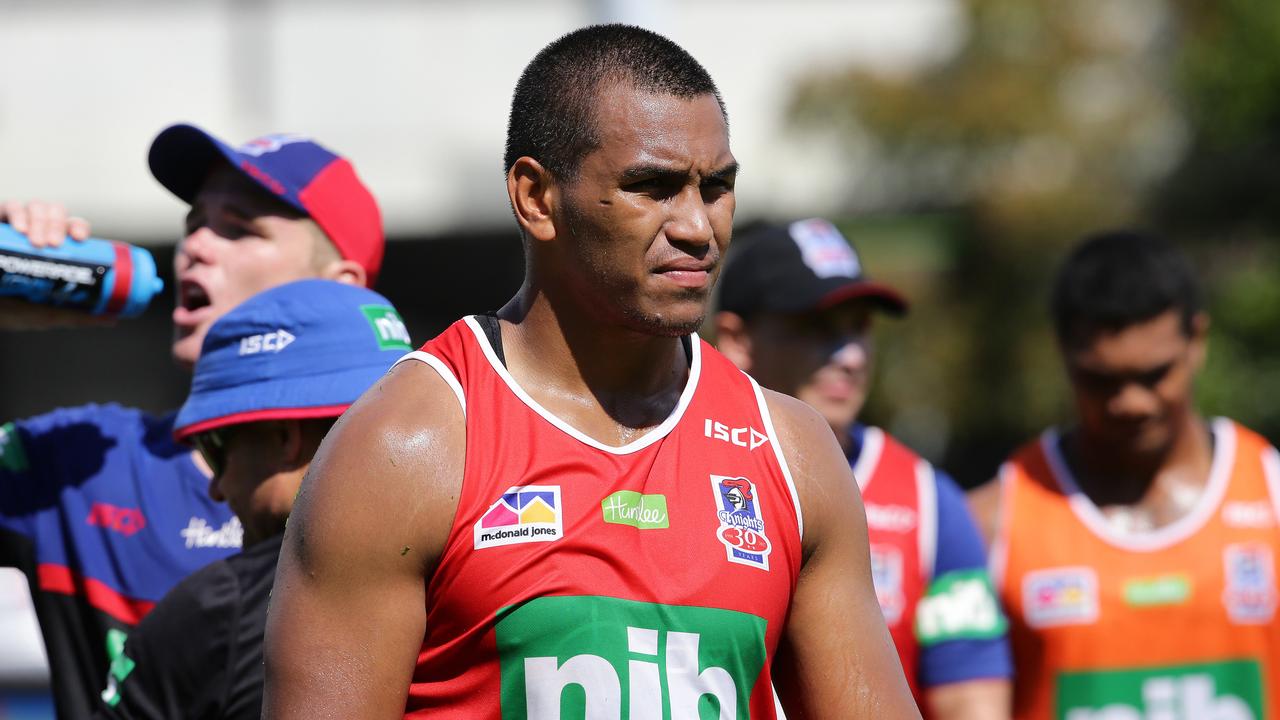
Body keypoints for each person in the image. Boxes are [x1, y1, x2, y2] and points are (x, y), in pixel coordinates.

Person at [262, 24, 919, 719]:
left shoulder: (792, 454)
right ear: (536, 198)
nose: (698, 226)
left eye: (717, 187)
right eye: (652, 187)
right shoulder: (405, 446)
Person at [0, 126, 383, 719]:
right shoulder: (83, 460)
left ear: (337, 290)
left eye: (239, 228)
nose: (197, 245)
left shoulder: (415, 476)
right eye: (194, 223)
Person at [967, 230, 1280, 719]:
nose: (1131, 403)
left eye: (1155, 375)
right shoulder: (992, 522)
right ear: (1064, 354)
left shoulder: (1272, 495)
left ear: (1197, 341)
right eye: (1101, 380)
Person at [714, 218, 1013, 719]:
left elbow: (972, 704)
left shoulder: (928, 501)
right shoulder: (682, 473)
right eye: (818, 329)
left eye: (859, 328)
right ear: (738, 340)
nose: (850, 356)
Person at [89, 278, 412, 720]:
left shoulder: (217, 611)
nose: (216, 488)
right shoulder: (508, 557)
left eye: (216, 449)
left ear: (284, 438)